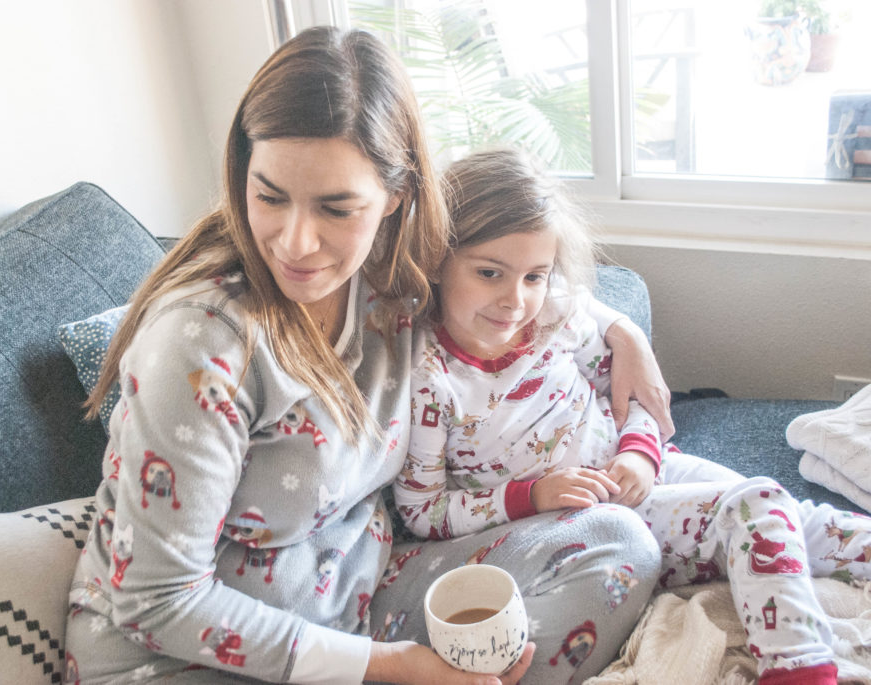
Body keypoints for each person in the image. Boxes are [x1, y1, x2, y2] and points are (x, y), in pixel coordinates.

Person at [64, 27, 670, 685]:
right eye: (269, 195)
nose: (296, 243)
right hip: (186, 654)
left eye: (336, 208)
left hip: (358, 601)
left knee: (618, 546)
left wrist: (622, 334)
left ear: (396, 197)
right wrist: (389, 668)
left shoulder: (395, 275)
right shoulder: (200, 342)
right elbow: (156, 600)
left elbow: (515, 274)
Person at [395, 147, 871, 685]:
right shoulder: (429, 380)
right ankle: (800, 671)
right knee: (753, 507)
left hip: (637, 467)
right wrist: (532, 496)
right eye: (490, 273)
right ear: (437, 259)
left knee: (778, 510)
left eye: (535, 276)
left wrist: (640, 452)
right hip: (579, 523)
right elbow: (422, 511)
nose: (515, 300)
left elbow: (630, 395)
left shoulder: (557, 316)